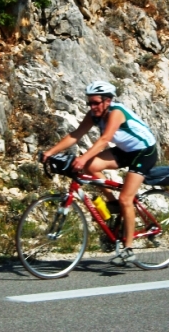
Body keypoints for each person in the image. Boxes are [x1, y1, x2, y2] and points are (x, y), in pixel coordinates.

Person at [42, 81, 158, 266]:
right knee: (90, 166)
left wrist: (82, 157)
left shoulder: (116, 113)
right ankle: (112, 203)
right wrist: (50, 152)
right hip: (125, 151)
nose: (92, 107)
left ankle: (128, 249)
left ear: (108, 101)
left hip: (144, 152)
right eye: (90, 103)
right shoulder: (94, 115)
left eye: (96, 102)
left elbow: (104, 140)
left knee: (126, 199)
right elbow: (76, 135)